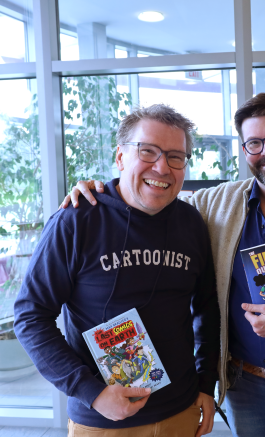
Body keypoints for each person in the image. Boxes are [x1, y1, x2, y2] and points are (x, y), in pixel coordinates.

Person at [63, 93, 265, 437]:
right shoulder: (215, 205)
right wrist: (100, 195)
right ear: (245, 150)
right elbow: (154, 193)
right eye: (254, 143)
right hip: (245, 390)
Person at [14, 104, 220, 437]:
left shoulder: (192, 223)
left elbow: (207, 310)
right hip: (104, 420)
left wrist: (206, 384)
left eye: (175, 157)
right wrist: (91, 393)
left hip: (181, 411)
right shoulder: (77, 220)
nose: (162, 167)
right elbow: (30, 316)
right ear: (121, 157)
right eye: (148, 151)